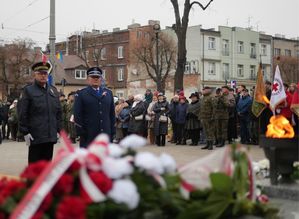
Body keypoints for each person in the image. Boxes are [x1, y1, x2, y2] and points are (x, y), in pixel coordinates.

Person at [18, 61, 62, 163]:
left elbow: (58, 112)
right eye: (40, 73)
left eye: (45, 73)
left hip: (50, 136)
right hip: (35, 135)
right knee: (34, 168)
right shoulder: (28, 90)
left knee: (47, 167)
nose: (43, 76)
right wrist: (25, 131)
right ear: (35, 74)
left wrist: (59, 129)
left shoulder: (53, 90)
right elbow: (22, 112)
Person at [74, 67, 115, 148]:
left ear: (101, 79)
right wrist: (82, 132)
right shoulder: (81, 94)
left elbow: (112, 114)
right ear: (88, 79)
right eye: (93, 77)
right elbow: (77, 115)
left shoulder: (108, 93)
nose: (95, 79)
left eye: (98, 77)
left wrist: (112, 131)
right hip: (89, 135)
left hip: (105, 135)